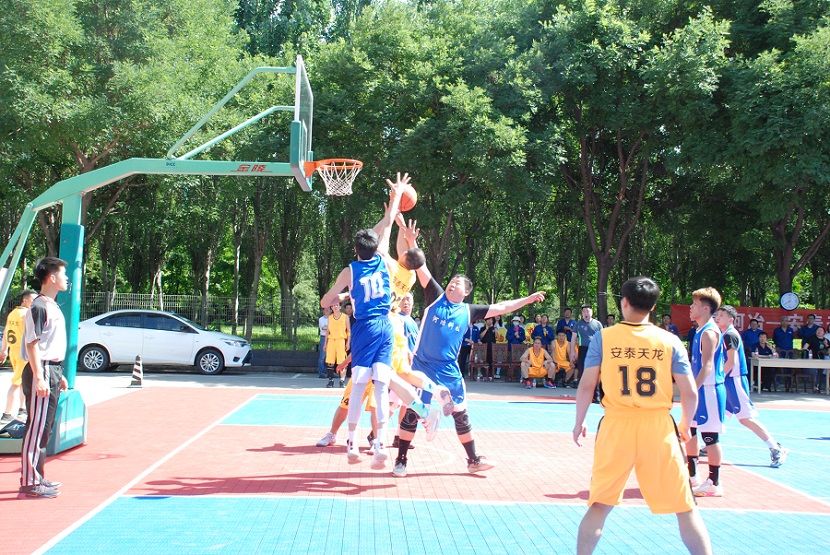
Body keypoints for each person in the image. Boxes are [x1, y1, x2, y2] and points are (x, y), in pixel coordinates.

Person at [572, 276, 712, 555]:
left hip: (616, 425)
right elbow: (690, 392)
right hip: (658, 427)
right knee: (686, 507)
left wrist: (579, 422)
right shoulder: (670, 340)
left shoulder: (604, 337)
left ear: (624, 302)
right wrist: (686, 425)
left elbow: (587, 385)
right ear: (653, 306)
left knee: (599, 505)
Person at [392, 265, 546, 477]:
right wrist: (411, 247)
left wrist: (527, 300)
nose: (452, 284)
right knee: (413, 412)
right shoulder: (436, 297)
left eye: (457, 283)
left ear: (466, 291)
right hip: (423, 367)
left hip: (449, 370)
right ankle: (401, 460)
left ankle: (473, 460)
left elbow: (503, 306)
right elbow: (421, 267)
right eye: (451, 282)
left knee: (461, 415)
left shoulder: (469, 311)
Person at [319, 172, 410, 469]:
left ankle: (352, 445)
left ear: (356, 250)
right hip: (386, 326)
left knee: (358, 385)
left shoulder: (349, 271)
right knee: (381, 385)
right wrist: (396, 198)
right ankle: (380, 444)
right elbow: (385, 227)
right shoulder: (383, 259)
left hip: (364, 328)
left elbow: (325, 302)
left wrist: (342, 296)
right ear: (375, 247)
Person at [19, 257, 69, 499]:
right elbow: (32, 344)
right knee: (36, 427)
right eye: (63, 274)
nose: (66, 278)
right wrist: (39, 376)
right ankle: (30, 482)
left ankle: (37, 475)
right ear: (52, 277)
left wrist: (59, 374)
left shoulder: (52, 305)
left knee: (44, 428)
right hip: (44, 370)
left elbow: (49, 344)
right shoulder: (39, 306)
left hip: (52, 370)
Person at [715, 305, 788, 467]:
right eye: (717, 315)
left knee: (745, 418)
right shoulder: (724, 334)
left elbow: (731, 362)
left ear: (731, 319)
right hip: (727, 380)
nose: (717, 317)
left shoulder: (730, 335)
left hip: (734, 381)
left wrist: (717, 378)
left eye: (721, 315)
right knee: (717, 412)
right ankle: (710, 443)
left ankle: (776, 448)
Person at [685, 287, 726, 498]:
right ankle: (692, 475)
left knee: (710, 436)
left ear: (706, 308)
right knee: (690, 431)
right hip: (700, 390)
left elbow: (707, 366)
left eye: (695, 304)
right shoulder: (699, 331)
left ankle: (714, 482)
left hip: (709, 390)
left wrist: (693, 390)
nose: (691, 307)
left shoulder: (709, 333)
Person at [1, 290, 37, 424]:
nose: (34, 303)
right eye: (32, 300)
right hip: (23, 352)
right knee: (16, 382)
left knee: (22, 381)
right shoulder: (26, 314)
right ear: (24, 300)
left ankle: (22, 409)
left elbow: (6, 332)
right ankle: (7, 413)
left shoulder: (13, 313)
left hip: (14, 351)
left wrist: (4, 349)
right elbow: (31, 334)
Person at [570, 304, 603, 386]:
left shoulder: (598, 324)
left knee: (595, 368)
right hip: (582, 349)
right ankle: (583, 386)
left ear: (592, 312)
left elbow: (602, 338)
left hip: (595, 349)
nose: (586, 313)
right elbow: (573, 338)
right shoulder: (578, 324)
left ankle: (595, 387)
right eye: (584, 312)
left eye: (587, 311)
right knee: (582, 368)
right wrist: (572, 351)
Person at [324, 303, 350, 388]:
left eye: (337, 305)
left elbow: (348, 331)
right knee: (330, 362)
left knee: (342, 361)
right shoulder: (330, 317)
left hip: (341, 340)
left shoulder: (345, 317)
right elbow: (328, 331)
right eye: (333, 305)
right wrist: (325, 343)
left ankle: (342, 381)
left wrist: (348, 342)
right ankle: (330, 380)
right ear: (331, 307)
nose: (335, 307)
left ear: (340, 307)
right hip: (331, 341)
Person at [802, 326, 829, 393]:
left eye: (821, 330)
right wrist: (805, 350)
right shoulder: (812, 338)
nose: (819, 332)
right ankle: (814, 386)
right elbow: (805, 347)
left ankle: (819, 387)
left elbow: (828, 351)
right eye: (818, 330)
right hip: (813, 359)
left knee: (820, 374)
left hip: (822, 360)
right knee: (814, 373)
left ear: (824, 333)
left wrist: (826, 345)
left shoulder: (826, 340)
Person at [317, 307, 330, 378]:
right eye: (326, 309)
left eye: (328, 309)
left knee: (330, 356)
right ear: (324, 311)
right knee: (322, 356)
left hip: (331, 338)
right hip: (324, 337)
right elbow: (324, 327)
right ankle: (321, 373)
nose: (327, 311)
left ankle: (329, 372)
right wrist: (332, 327)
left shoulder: (332, 318)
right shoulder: (321, 319)